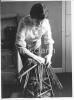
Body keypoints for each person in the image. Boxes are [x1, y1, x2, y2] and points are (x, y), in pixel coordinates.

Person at [15, 3, 54, 96]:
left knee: (39, 69)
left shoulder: (45, 22)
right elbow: (20, 46)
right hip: (24, 48)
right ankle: (28, 90)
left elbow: (49, 41)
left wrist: (49, 55)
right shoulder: (23, 22)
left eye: (41, 21)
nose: (39, 24)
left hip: (37, 45)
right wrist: (36, 58)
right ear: (31, 17)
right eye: (37, 22)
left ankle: (38, 87)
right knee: (28, 68)